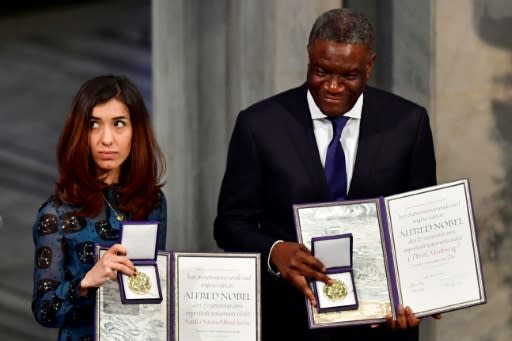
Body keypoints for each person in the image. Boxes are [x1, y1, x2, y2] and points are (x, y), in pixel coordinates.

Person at [214, 8, 437, 341]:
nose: (332, 86)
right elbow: (229, 225)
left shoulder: (408, 123)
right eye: (321, 71)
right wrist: (275, 251)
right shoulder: (259, 125)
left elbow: (420, 227)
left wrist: (415, 298)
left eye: (348, 75)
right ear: (309, 57)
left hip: (381, 326)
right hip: (290, 323)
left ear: (370, 65)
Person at [32, 75, 167, 341]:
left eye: (119, 124)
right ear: (80, 132)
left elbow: (151, 286)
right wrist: (85, 284)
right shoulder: (56, 213)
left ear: (136, 131)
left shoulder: (153, 201)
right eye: (94, 124)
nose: (107, 139)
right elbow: (43, 310)